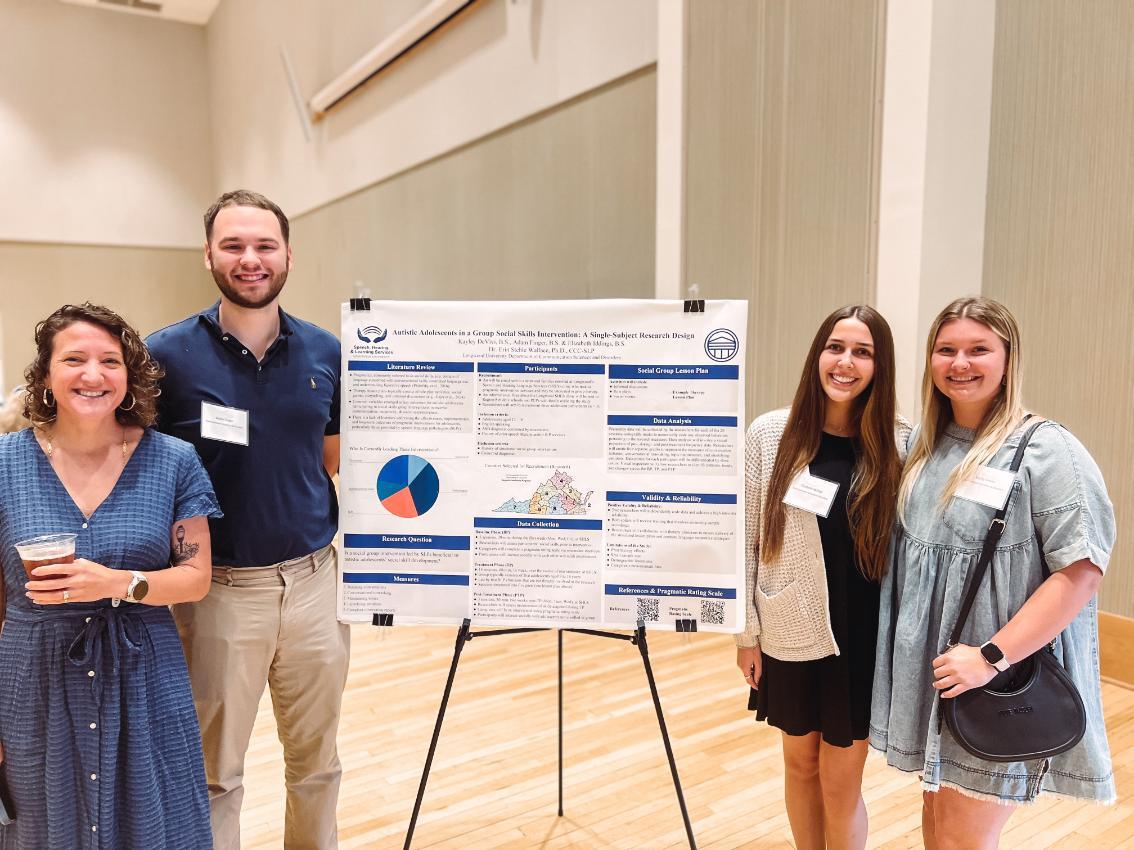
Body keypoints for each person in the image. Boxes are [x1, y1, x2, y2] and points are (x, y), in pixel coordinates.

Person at [871, 297, 1115, 848]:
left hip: (994, 681)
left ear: (1008, 359)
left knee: (961, 837)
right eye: (946, 349)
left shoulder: (1046, 449)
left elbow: (1082, 570)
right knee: (939, 825)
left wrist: (990, 658)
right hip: (936, 678)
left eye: (978, 349)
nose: (960, 363)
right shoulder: (923, 447)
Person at [146, 190, 348, 850]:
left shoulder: (324, 351)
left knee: (317, 766)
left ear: (288, 254)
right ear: (208, 255)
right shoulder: (166, 356)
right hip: (218, 595)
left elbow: (329, 458)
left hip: (316, 587)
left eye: (265, 245)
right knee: (213, 775)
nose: (250, 258)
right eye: (233, 245)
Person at [0, 303, 220, 849]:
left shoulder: (173, 460)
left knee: (152, 819)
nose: (93, 375)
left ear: (129, 377)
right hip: (34, 675)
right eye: (74, 359)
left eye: (110, 361)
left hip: (144, 669)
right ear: (45, 375)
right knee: (40, 823)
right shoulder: (4, 463)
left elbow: (195, 576)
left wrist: (118, 583)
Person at [736, 305, 908, 850]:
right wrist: (746, 635)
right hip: (790, 624)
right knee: (800, 764)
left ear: (880, 366)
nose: (846, 362)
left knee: (841, 781)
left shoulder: (902, 442)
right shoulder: (770, 434)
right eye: (836, 348)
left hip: (863, 635)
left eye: (863, 352)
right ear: (818, 355)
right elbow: (745, 540)